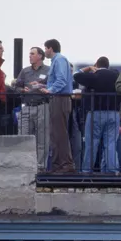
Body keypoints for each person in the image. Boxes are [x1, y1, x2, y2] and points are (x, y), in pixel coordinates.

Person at [73, 57, 121, 174]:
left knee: (92, 143)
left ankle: (87, 170)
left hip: (96, 113)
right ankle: (112, 170)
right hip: (114, 113)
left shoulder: (93, 76)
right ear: (108, 65)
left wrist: (88, 68)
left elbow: (75, 75)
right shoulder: (116, 76)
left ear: (96, 65)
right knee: (110, 143)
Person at [38, 39, 75, 173]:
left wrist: (50, 90)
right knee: (56, 133)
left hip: (60, 99)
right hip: (58, 98)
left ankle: (65, 164)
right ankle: (59, 164)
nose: (44, 51)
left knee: (60, 133)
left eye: (45, 48)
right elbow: (58, 80)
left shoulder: (59, 60)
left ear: (50, 48)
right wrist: (44, 86)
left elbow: (61, 80)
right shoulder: (58, 60)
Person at [14, 46, 51, 166]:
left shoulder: (49, 70)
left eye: (32, 54)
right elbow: (16, 86)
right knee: (23, 137)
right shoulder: (25, 71)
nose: (29, 56)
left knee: (42, 139)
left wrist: (42, 87)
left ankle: (40, 167)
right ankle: (25, 165)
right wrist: (22, 89)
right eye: (29, 54)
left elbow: (53, 86)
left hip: (42, 106)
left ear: (40, 56)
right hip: (27, 106)